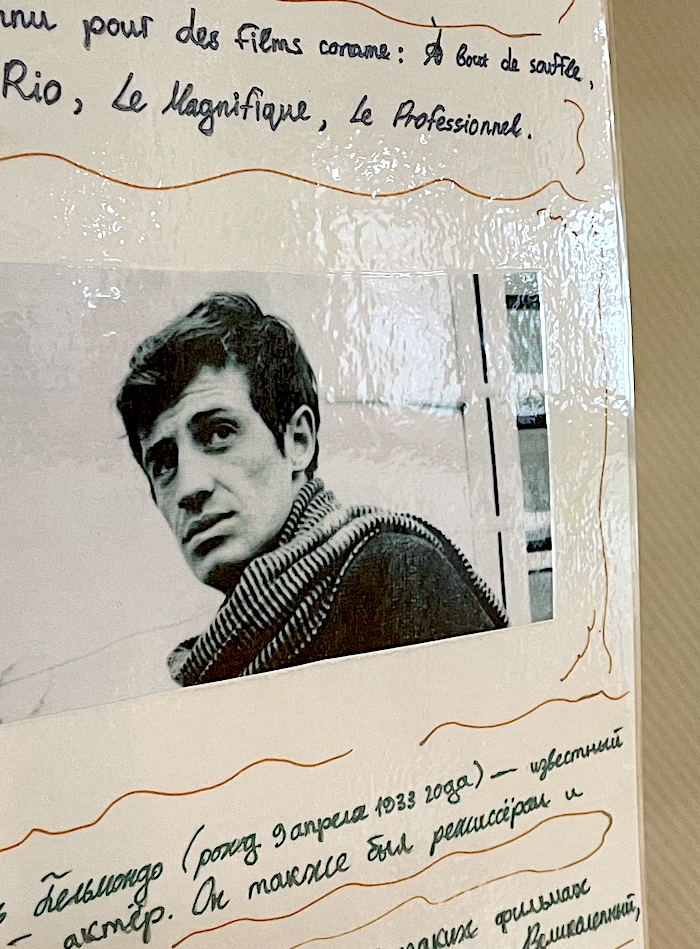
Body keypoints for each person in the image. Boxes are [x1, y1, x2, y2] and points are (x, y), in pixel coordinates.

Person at [116, 291, 506, 685]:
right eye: (163, 463)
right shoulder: (219, 652)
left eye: (219, 432)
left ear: (297, 441)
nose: (190, 487)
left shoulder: (396, 574)